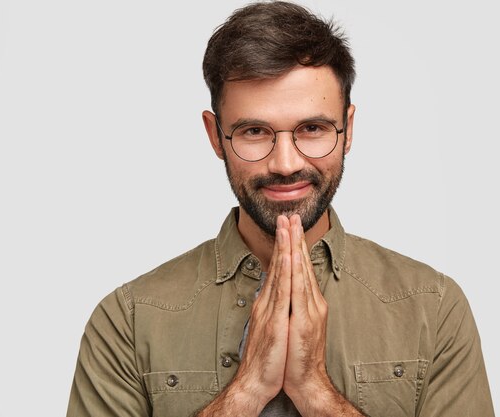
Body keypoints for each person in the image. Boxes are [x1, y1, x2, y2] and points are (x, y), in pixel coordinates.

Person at [66, 2, 494, 416]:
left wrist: (317, 392)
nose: (286, 163)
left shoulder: (433, 308)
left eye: (312, 128)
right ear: (216, 136)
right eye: (254, 131)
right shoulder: (128, 319)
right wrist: (246, 391)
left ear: (348, 130)